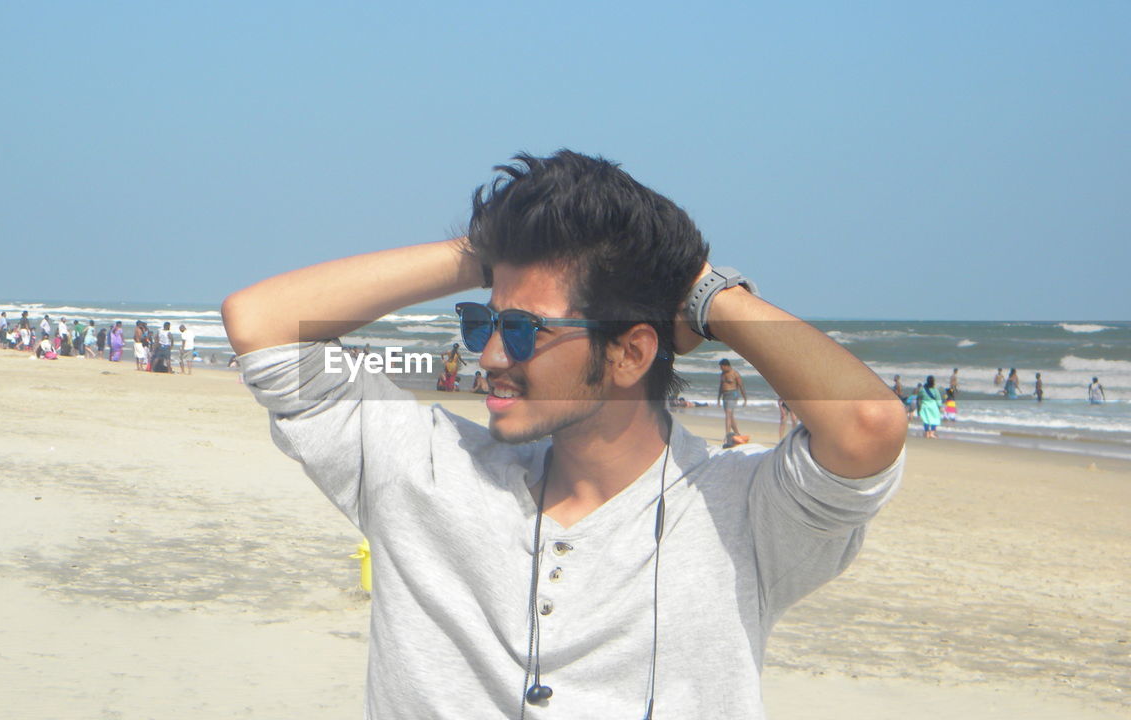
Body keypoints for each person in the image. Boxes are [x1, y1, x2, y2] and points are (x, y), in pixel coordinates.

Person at [221, 150, 907, 718]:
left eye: (522, 330)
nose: (490, 356)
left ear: (630, 353)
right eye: (482, 322)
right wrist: (488, 252)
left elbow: (867, 424)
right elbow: (263, 322)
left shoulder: (742, 517)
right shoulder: (425, 474)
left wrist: (699, 289)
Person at [716, 358, 748, 447]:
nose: (721, 369)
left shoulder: (735, 374)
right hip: (725, 395)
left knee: (728, 414)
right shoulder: (722, 374)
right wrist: (718, 399)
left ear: (727, 366)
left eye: (722, 367)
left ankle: (727, 435)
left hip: (733, 394)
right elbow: (720, 386)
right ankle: (737, 433)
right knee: (730, 416)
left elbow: (741, 386)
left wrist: (745, 399)